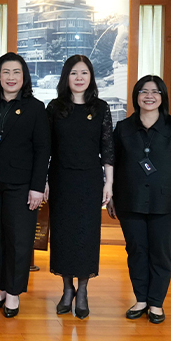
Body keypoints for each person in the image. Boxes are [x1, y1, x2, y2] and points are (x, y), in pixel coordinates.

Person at [108, 75, 171, 324]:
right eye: (143, 91)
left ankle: (156, 303)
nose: (149, 96)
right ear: (136, 96)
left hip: (166, 202)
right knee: (136, 251)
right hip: (130, 200)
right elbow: (113, 163)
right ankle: (141, 300)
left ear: (162, 97)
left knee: (161, 253)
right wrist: (111, 196)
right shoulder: (123, 128)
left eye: (155, 92)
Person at [0, 52, 50, 318]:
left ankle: (14, 293)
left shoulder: (35, 107)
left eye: (16, 72)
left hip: (22, 185)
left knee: (19, 238)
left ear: (24, 76)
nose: (11, 77)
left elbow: (42, 149)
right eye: (6, 72)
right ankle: (4, 288)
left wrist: (37, 186)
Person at [45, 55, 114, 319]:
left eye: (84, 73)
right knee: (62, 235)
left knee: (86, 235)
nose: (79, 78)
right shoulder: (55, 108)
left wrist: (109, 183)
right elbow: (45, 148)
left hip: (90, 181)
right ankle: (67, 289)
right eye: (74, 73)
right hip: (61, 179)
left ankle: (83, 290)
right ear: (66, 77)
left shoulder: (100, 108)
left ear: (91, 77)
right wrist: (44, 180)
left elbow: (107, 148)